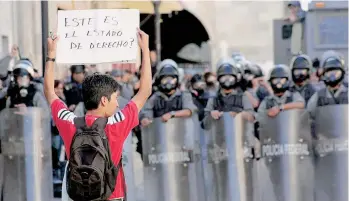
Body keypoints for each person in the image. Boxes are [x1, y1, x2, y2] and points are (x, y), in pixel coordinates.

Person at [44, 29, 152, 201]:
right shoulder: (116, 124)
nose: (117, 104)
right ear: (103, 100)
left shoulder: (69, 121)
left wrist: (51, 54)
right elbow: (145, 91)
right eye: (115, 98)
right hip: (112, 195)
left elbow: (50, 93)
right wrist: (145, 50)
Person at [140, 59, 197, 127]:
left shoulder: (184, 95)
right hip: (160, 134)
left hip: (181, 132)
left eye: (171, 79)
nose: (168, 82)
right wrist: (145, 119)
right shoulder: (155, 97)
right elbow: (146, 113)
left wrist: (172, 114)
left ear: (177, 79)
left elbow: (189, 111)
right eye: (165, 79)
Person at [202, 58, 254, 129]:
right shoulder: (213, 98)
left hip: (239, 135)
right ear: (219, 79)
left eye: (230, 77)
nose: (227, 80)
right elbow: (204, 124)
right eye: (223, 77)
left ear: (235, 79)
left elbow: (251, 117)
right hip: (220, 136)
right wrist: (211, 115)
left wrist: (239, 114)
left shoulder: (242, 96)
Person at [307, 50, 348, 118]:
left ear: (342, 72)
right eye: (329, 73)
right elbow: (309, 115)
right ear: (323, 75)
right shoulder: (318, 96)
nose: (333, 76)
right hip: (325, 128)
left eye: (336, 72)